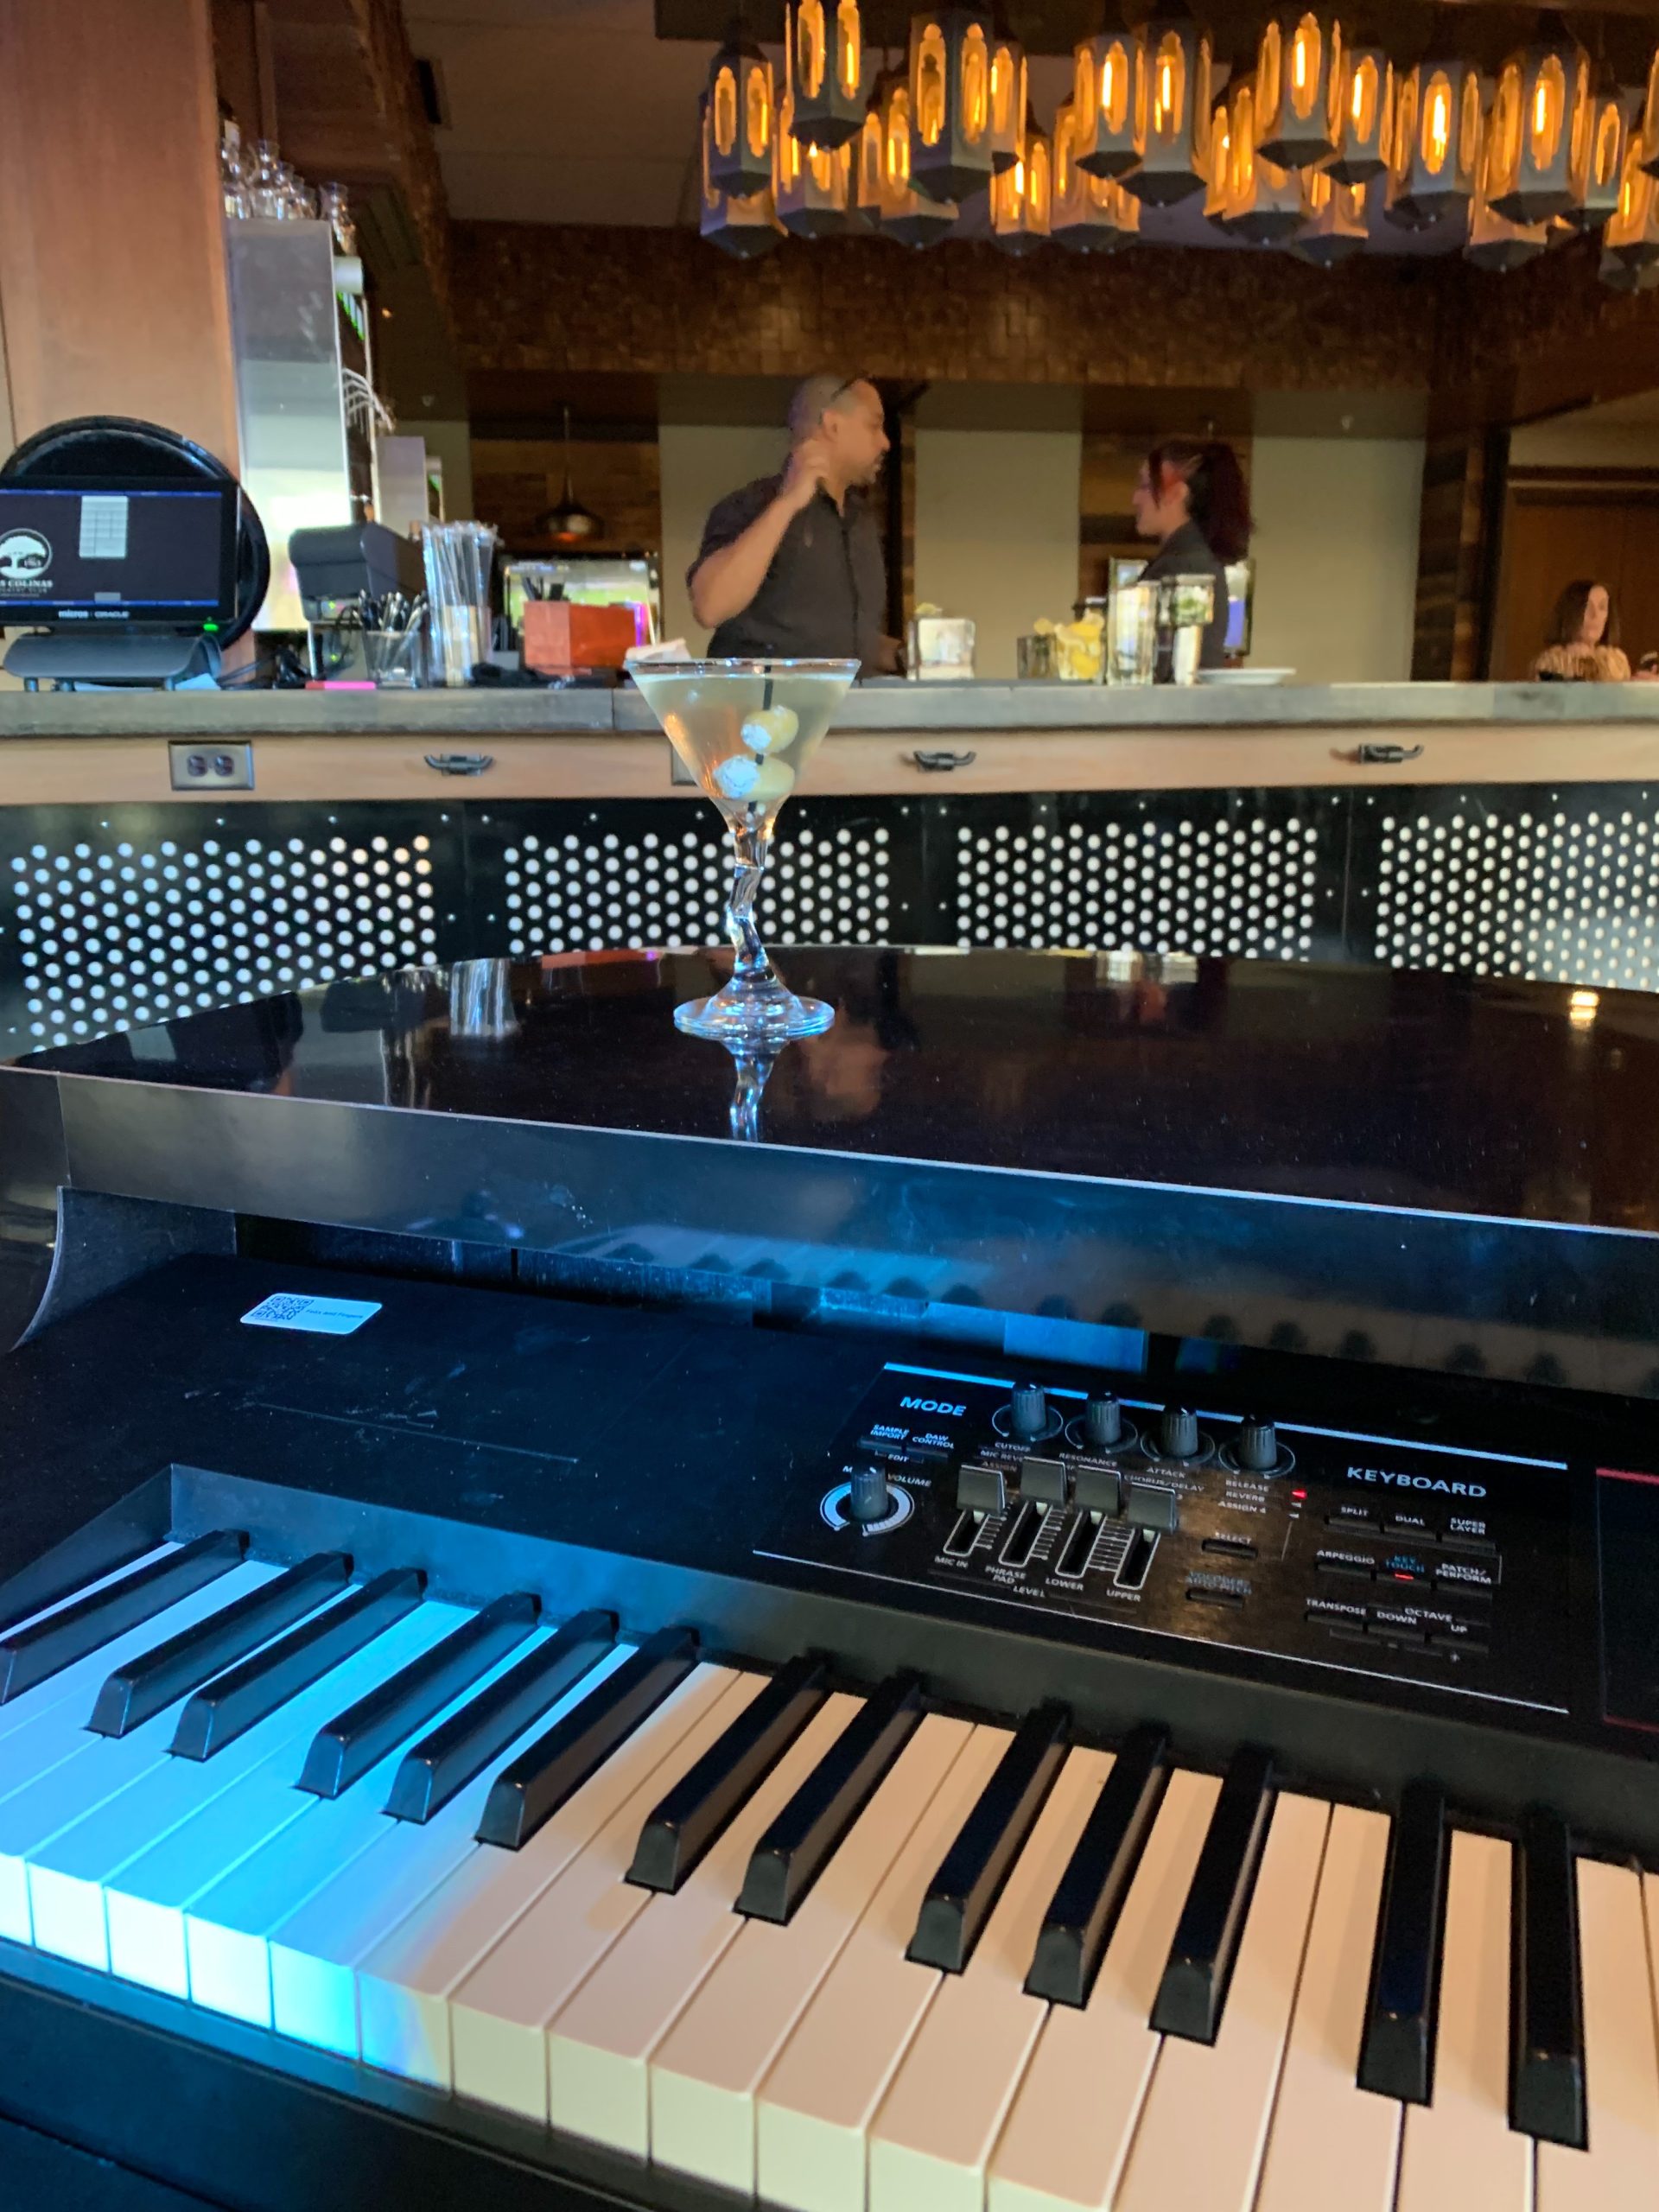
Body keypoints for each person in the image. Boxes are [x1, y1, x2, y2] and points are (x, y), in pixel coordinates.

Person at [688, 373, 898, 672]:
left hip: (847, 702)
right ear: (833, 425)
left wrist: (907, 654)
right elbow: (710, 607)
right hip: (765, 702)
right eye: (874, 426)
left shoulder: (861, 519)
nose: (885, 442)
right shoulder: (752, 506)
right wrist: (788, 502)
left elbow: (837, 640)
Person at [1130, 438, 1252, 671]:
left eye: (1145, 486)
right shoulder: (1192, 559)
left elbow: (1163, 668)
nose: (1135, 498)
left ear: (1177, 493)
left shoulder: (1182, 568)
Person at [1531, 581, 1633, 681]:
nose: (1595, 615)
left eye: (1602, 607)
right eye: (1587, 606)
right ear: (1571, 612)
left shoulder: (1617, 667)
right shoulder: (1549, 665)